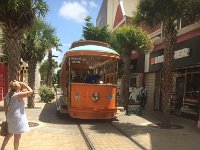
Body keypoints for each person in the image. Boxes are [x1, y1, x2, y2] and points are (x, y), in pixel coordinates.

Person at [1, 80, 33, 150]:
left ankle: (2, 148)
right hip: (17, 119)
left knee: (9, 134)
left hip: (10, 118)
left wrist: (8, 119)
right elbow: (31, 91)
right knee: (17, 137)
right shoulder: (18, 95)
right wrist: (24, 84)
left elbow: (5, 109)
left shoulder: (7, 96)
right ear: (17, 87)